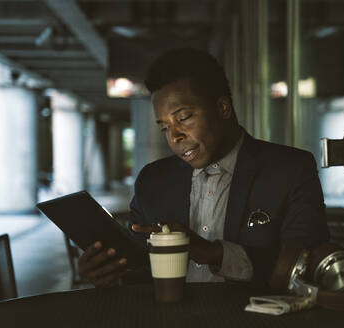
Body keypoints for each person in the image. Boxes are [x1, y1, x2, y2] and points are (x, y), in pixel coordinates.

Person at [78, 48, 330, 288]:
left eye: (184, 118)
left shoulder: (290, 169)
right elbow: (138, 271)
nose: (174, 137)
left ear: (223, 108)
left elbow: (309, 267)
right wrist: (111, 274)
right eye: (164, 127)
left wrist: (213, 252)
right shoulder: (153, 180)